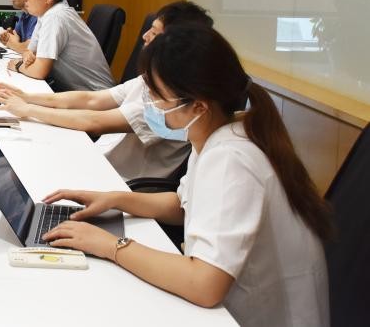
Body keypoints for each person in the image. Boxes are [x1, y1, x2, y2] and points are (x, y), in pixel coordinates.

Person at [40, 25, 331, 327]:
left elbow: (205, 285)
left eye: (157, 97)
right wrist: (115, 199)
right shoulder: (215, 133)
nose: (149, 106)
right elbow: (183, 205)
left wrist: (110, 246)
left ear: (198, 106)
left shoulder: (231, 158)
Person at [0, 1, 212, 180]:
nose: (144, 36)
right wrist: (28, 98)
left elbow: (94, 121)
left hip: (117, 180)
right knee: (13, 162)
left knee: (12, 170)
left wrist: (28, 109)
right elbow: (91, 99)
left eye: (154, 33)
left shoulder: (172, 100)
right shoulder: (151, 79)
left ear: (175, 44)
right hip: (98, 159)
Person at [9, 0, 114, 91]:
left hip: (97, 95)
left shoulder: (55, 16)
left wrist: (18, 65)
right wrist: (28, 56)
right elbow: (29, 51)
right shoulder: (44, 14)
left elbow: (39, 71)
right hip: (74, 92)